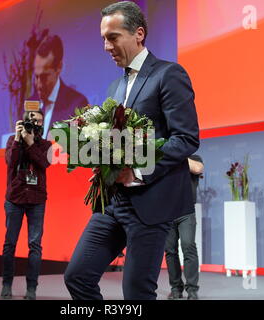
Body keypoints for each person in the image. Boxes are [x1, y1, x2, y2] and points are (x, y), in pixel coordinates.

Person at [64, 1, 199, 300]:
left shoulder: (169, 74)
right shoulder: (115, 87)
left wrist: (137, 169)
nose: (106, 46)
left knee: (137, 294)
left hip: (151, 205)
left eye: (112, 37)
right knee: (77, 277)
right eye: (103, 38)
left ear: (138, 33)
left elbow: (186, 139)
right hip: (113, 203)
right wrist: (102, 163)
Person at [0, 110, 52, 300]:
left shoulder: (45, 144)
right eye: (31, 121)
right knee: (9, 244)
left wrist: (30, 143)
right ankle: (6, 284)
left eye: (38, 121)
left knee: (35, 246)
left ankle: (32, 288)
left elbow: (45, 163)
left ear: (42, 124)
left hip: (37, 200)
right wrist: (17, 138)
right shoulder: (13, 142)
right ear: (23, 122)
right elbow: (11, 162)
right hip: (14, 199)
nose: (35, 124)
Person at [21, 34, 89, 138]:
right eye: (36, 77)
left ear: (59, 68)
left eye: (44, 77)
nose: (38, 84)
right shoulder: (30, 103)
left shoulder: (77, 104)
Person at [165, 154, 204, 300]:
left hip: (186, 211)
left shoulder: (194, 158)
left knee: (188, 246)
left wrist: (177, 154)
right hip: (166, 212)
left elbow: (198, 168)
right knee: (170, 251)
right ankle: (176, 288)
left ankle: (192, 289)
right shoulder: (164, 157)